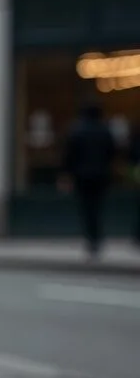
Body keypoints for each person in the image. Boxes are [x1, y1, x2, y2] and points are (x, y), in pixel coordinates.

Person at [61, 102, 116, 260]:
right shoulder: (104, 130)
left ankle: (92, 238)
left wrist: (66, 174)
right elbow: (112, 151)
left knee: (86, 207)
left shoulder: (77, 131)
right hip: (101, 175)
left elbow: (69, 155)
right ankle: (96, 236)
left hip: (82, 176)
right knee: (97, 206)